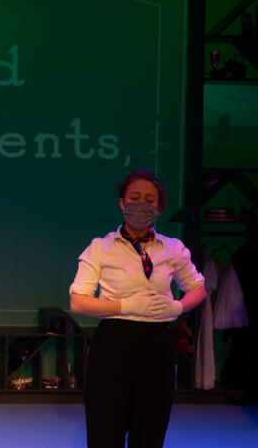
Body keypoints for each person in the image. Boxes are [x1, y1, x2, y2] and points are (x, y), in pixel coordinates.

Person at [69, 169, 206, 448]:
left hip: (157, 345)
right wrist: (124, 305)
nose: (141, 204)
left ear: (159, 207)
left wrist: (177, 307)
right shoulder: (100, 247)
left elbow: (198, 288)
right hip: (112, 344)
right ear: (122, 202)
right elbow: (78, 301)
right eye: (134, 197)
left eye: (149, 199)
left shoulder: (173, 248)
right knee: (105, 429)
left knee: (151, 430)